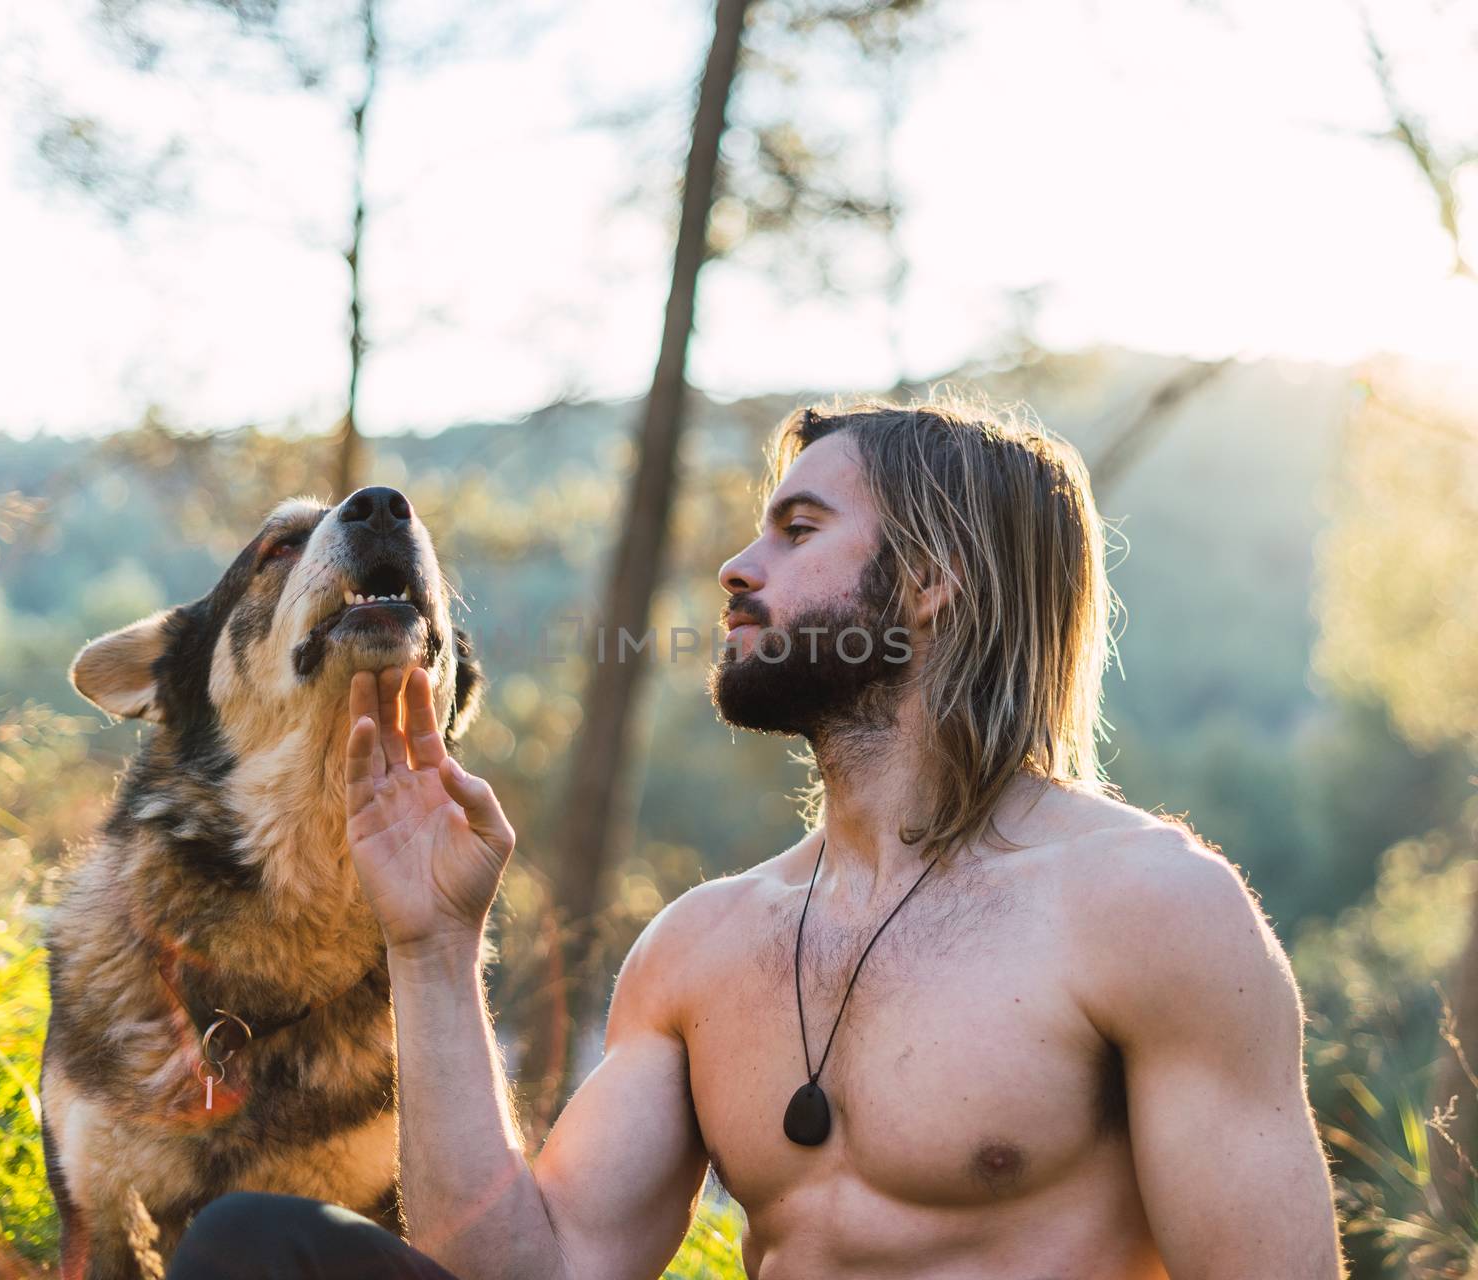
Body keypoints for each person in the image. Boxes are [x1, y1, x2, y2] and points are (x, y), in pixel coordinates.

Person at [170, 398, 1345, 1278]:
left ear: (929, 578)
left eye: (797, 528)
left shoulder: (1148, 908)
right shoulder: (705, 943)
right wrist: (430, 941)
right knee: (255, 1246)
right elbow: (532, 1264)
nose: (738, 567)